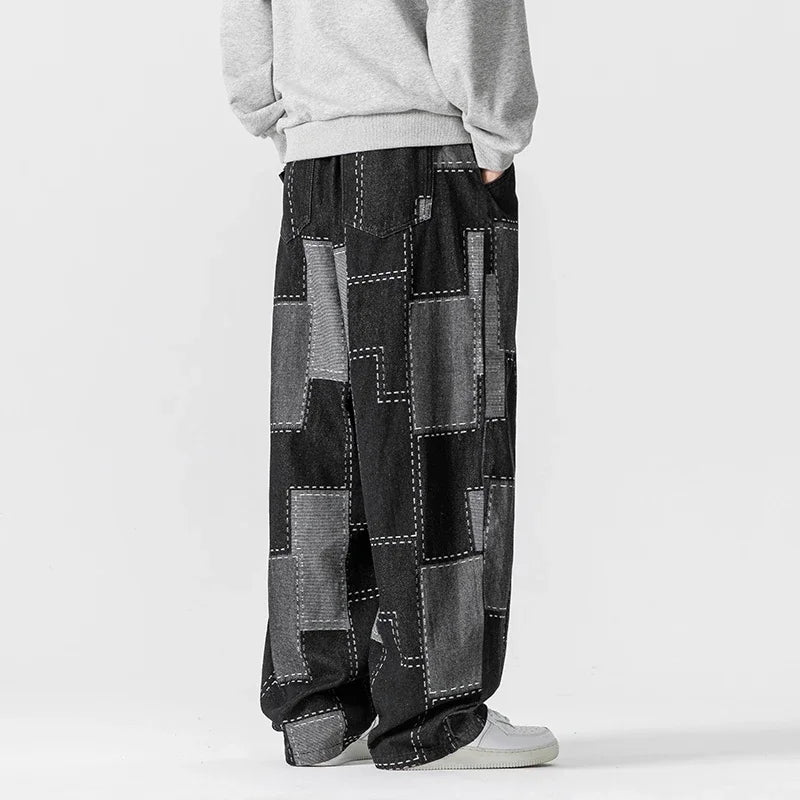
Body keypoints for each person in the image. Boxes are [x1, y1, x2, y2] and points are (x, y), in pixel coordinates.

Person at [220, 0, 557, 771]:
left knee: (323, 442)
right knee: (440, 430)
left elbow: (246, 27)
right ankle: (434, 715)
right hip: (423, 160)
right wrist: (498, 127)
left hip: (314, 167)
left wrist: (276, 112)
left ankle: (321, 708)